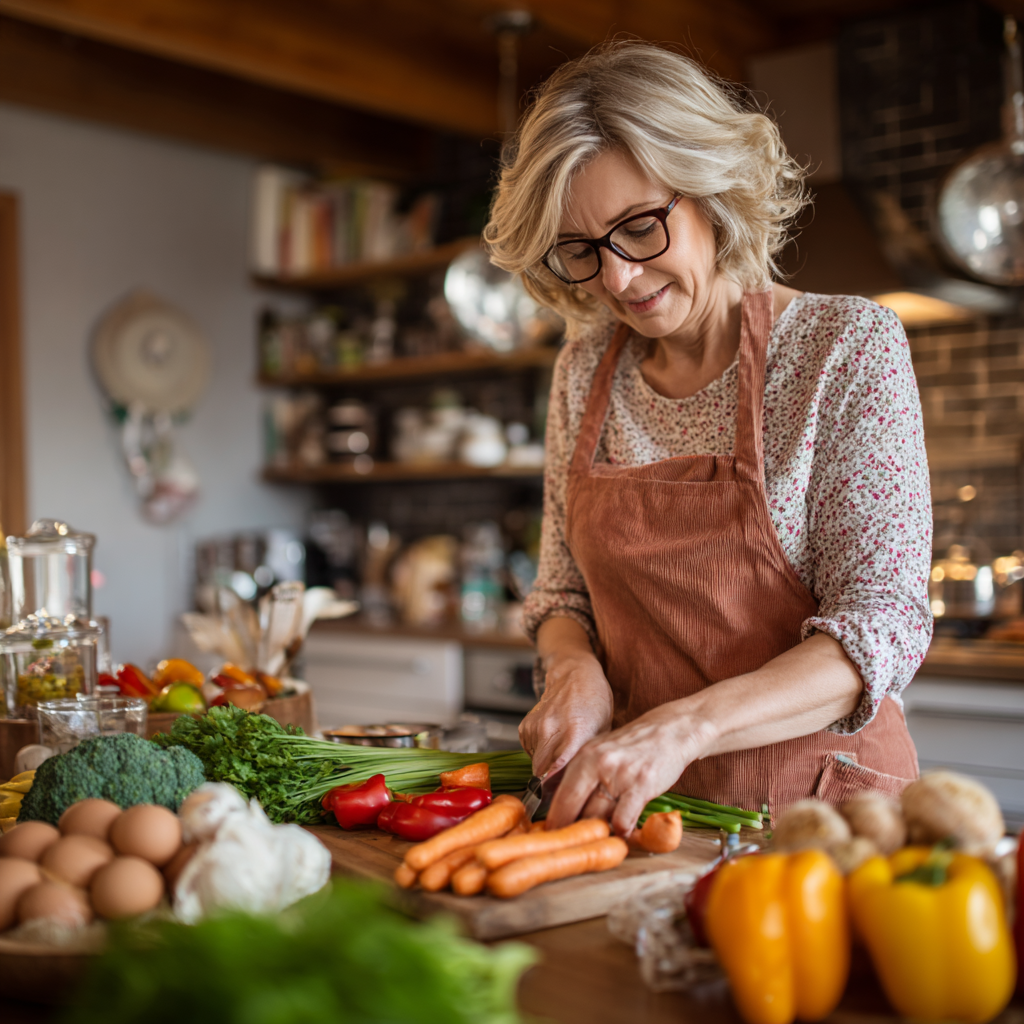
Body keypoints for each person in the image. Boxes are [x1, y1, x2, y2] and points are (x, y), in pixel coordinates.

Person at [483, 41, 931, 835]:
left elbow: (881, 626)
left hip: (824, 820)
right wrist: (572, 666)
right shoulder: (585, 368)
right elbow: (561, 594)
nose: (617, 278)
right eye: (582, 250)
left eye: (640, 227)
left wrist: (682, 728)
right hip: (641, 809)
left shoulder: (844, 347)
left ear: (712, 193)